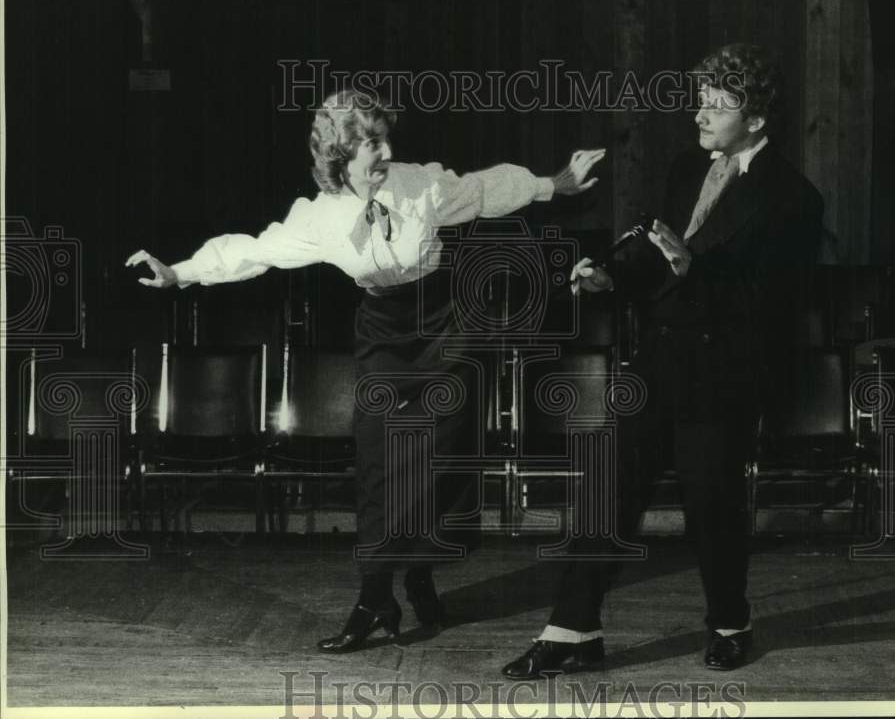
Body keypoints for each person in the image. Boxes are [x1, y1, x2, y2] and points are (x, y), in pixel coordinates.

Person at [126, 88, 605, 653]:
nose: (385, 150)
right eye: (371, 142)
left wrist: (556, 183)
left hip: (443, 323)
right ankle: (376, 596)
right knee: (378, 459)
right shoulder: (320, 217)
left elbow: (484, 189)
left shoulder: (421, 185)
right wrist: (179, 272)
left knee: (442, 452)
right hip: (382, 330)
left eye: (384, 137)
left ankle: (422, 571)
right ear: (339, 156)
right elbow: (254, 251)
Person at [501, 43, 824, 679]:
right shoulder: (686, 169)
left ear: (756, 119)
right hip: (657, 362)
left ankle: (731, 622)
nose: (700, 115)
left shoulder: (794, 199)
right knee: (608, 490)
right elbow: (654, 248)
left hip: (724, 370)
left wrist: (691, 271)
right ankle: (573, 629)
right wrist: (609, 277)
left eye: (717, 105)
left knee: (712, 503)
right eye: (700, 101)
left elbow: (769, 303)